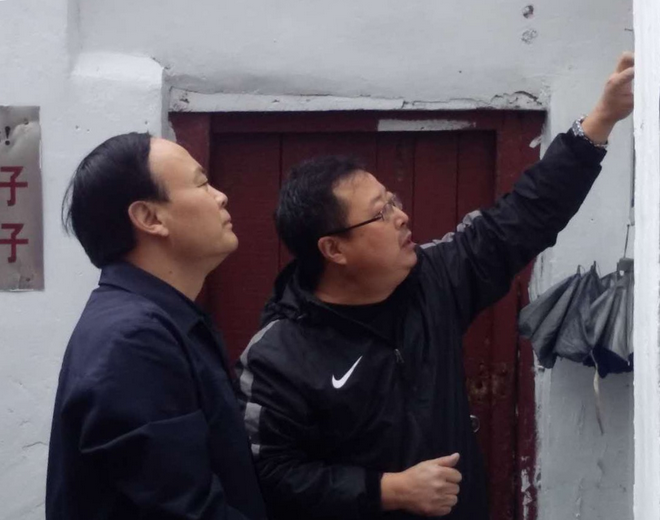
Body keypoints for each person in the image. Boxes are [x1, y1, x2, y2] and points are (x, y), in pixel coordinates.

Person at [236, 53, 635, 519]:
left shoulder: (434, 280)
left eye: (393, 201)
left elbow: (522, 218)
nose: (401, 216)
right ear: (334, 249)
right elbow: (269, 474)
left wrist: (602, 118)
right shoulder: (277, 357)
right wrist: (386, 490)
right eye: (380, 213)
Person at [46, 133, 267, 520]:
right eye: (201, 183)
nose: (220, 196)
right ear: (150, 218)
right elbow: (185, 508)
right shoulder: (133, 339)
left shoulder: (159, 320)